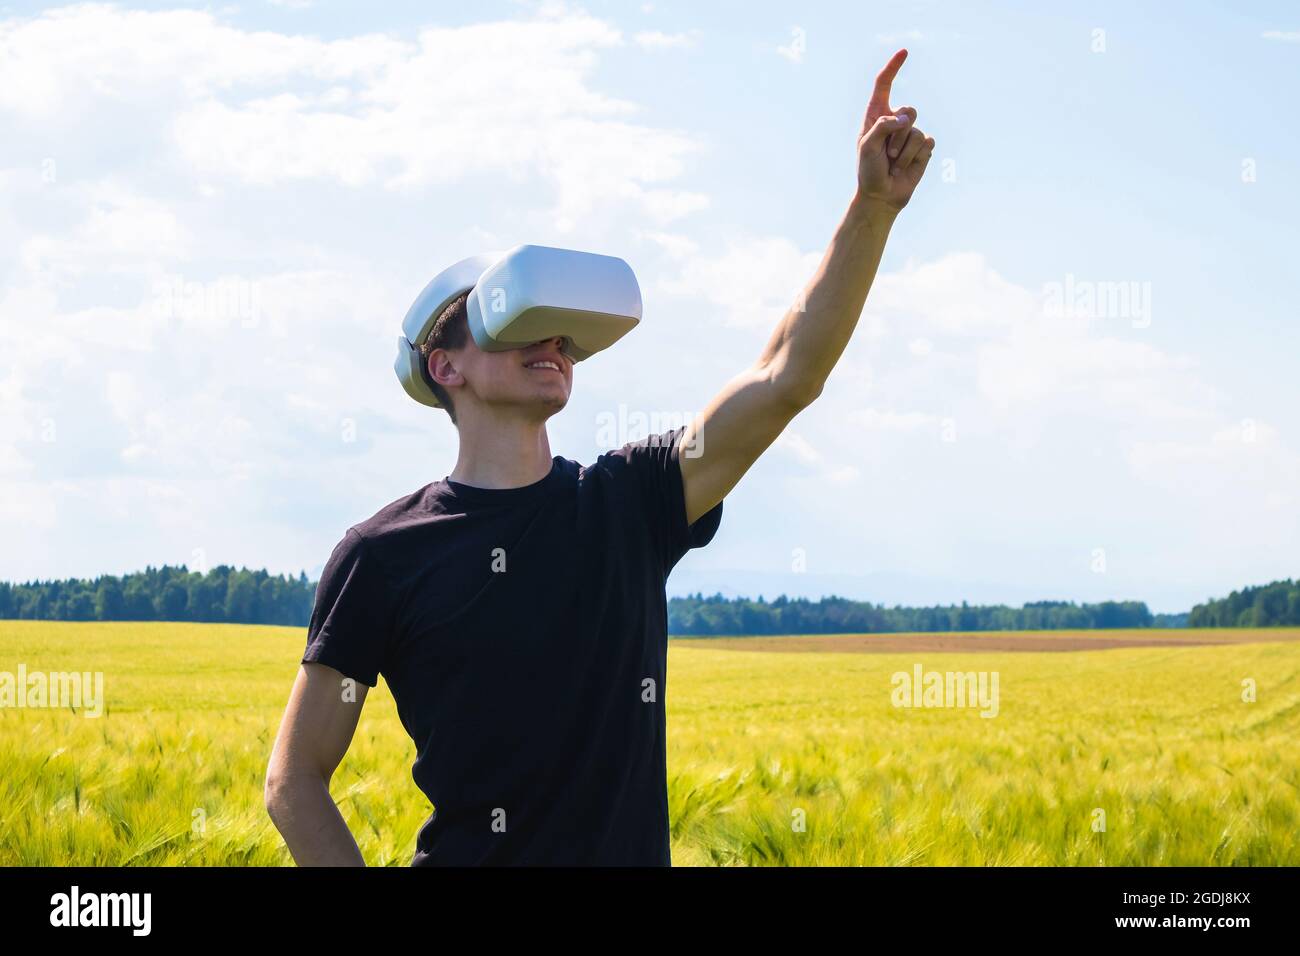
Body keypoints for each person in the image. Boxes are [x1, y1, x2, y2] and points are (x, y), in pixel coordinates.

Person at [264, 49, 934, 866]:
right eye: (512, 322)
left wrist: (871, 208)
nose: (552, 342)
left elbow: (785, 375)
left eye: (562, 329)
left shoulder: (632, 501)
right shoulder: (382, 557)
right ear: (446, 366)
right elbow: (295, 783)